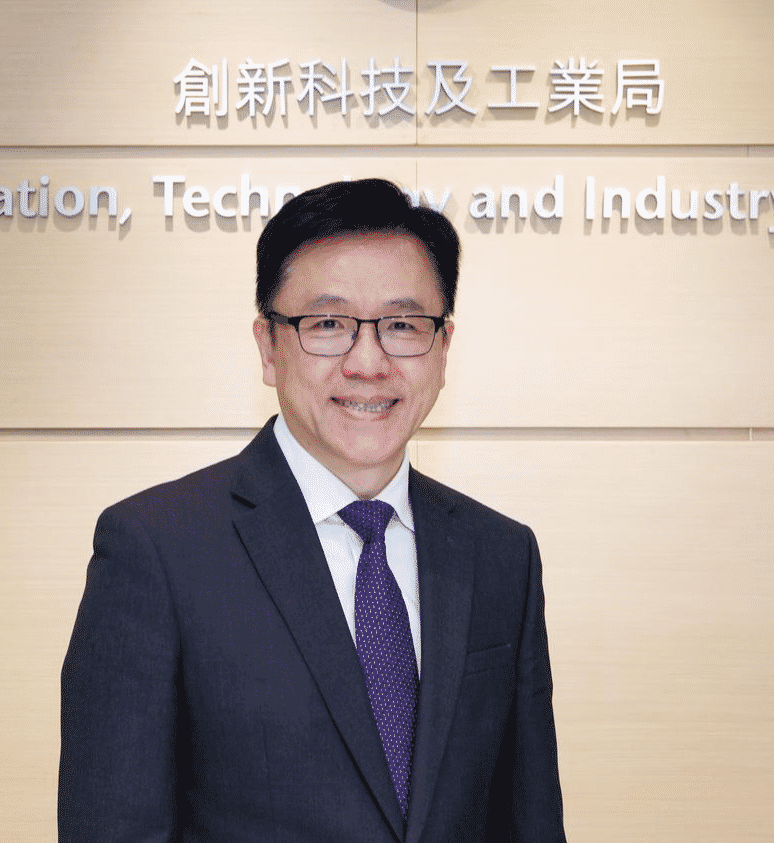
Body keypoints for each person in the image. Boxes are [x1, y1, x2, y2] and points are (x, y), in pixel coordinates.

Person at [59, 178, 566, 843]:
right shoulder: (157, 550)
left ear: (443, 349)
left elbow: (528, 822)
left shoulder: (501, 555)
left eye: (402, 325)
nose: (368, 362)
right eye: (328, 325)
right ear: (268, 347)